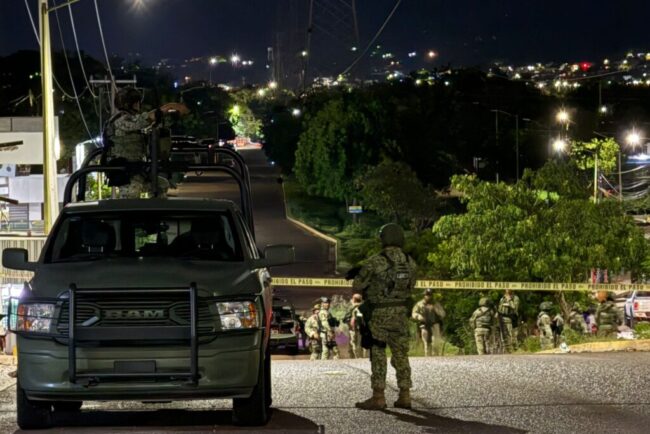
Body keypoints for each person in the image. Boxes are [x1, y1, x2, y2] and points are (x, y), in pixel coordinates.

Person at [353, 223, 417, 410]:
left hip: (379, 314)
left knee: (378, 352)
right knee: (401, 353)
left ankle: (378, 396)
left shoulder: (375, 261)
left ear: (383, 238)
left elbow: (358, 285)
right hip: (401, 314)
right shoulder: (410, 262)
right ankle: (405, 394)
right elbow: (411, 285)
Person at [105, 87, 188, 198]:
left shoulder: (128, 119)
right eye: (136, 102)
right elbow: (142, 121)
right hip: (125, 171)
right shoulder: (120, 120)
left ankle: (153, 209)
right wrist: (169, 107)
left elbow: (146, 124)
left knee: (161, 185)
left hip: (136, 168)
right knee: (131, 196)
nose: (138, 105)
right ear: (129, 104)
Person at [412, 288, 445, 356]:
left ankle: (436, 356)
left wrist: (437, 310)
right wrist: (418, 316)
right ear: (424, 295)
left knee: (435, 342)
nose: (428, 296)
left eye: (430, 295)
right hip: (424, 325)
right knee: (426, 342)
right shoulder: (419, 304)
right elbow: (414, 313)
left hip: (435, 324)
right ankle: (427, 357)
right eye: (427, 295)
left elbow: (443, 314)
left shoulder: (436, 304)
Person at [345, 293, 365, 359]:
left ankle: (358, 357)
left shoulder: (359, 307)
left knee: (356, 342)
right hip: (355, 327)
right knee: (355, 342)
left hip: (357, 327)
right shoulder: (352, 307)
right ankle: (356, 356)